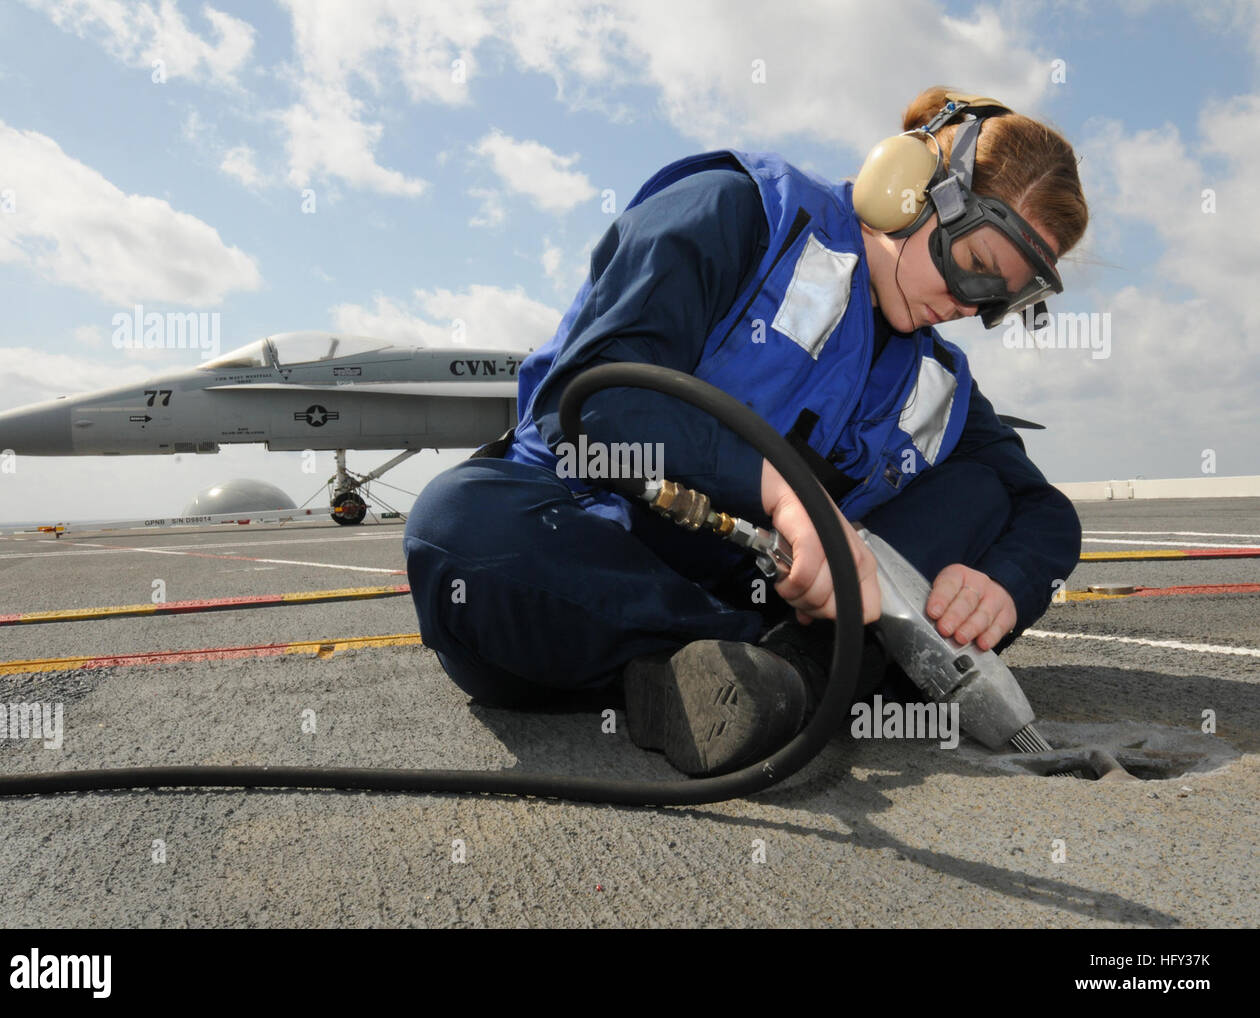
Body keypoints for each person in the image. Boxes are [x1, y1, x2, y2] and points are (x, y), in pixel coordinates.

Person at [404, 86, 1088, 778]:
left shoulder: (939, 380)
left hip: (772, 600)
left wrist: (1003, 583)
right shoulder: (738, 211)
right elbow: (595, 402)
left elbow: (1044, 513)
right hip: (595, 556)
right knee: (458, 529)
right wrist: (789, 496)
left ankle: (769, 678)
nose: (971, 309)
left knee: (984, 491)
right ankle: (794, 677)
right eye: (975, 270)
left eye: (1000, 299)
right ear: (906, 190)